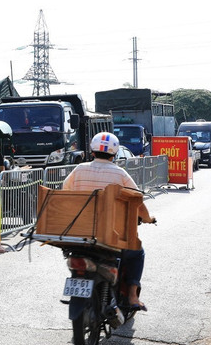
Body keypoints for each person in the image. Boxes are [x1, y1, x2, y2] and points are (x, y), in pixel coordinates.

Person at [61, 131, 155, 311]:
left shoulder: (79, 170)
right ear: (115, 153)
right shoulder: (119, 173)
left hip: (81, 232)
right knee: (137, 253)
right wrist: (148, 218)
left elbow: (65, 193)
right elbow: (137, 201)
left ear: (93, 152)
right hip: (111, 234)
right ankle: (133, 297)